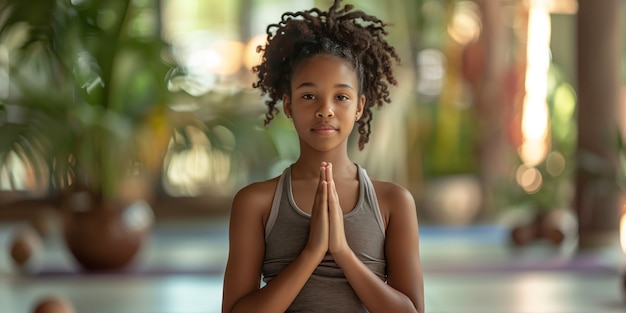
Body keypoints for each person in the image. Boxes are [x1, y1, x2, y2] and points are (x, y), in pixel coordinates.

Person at [221, 0, 424, 312]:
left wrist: (341, 251)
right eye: (308, 96)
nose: (325, 109)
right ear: (288, 105)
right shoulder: (255, 203)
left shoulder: (394, 202)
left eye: (341, 97)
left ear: (359, 107)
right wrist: (311, 253)